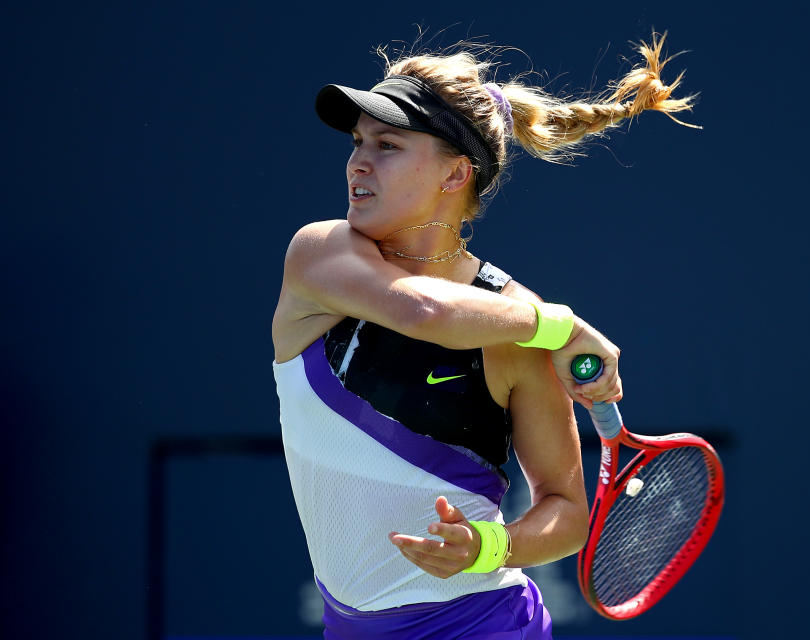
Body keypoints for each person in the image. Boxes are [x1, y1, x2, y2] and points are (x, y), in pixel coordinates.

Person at [272, 33, 695, 639]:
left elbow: (566, 510)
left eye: (387, 145)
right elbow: (421, 312)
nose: (358, 162)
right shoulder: (319, 255)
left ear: (456, 173)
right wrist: (562, 325)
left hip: (485, 624)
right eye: (357, 143)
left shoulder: (515, 325)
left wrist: (489, 547)